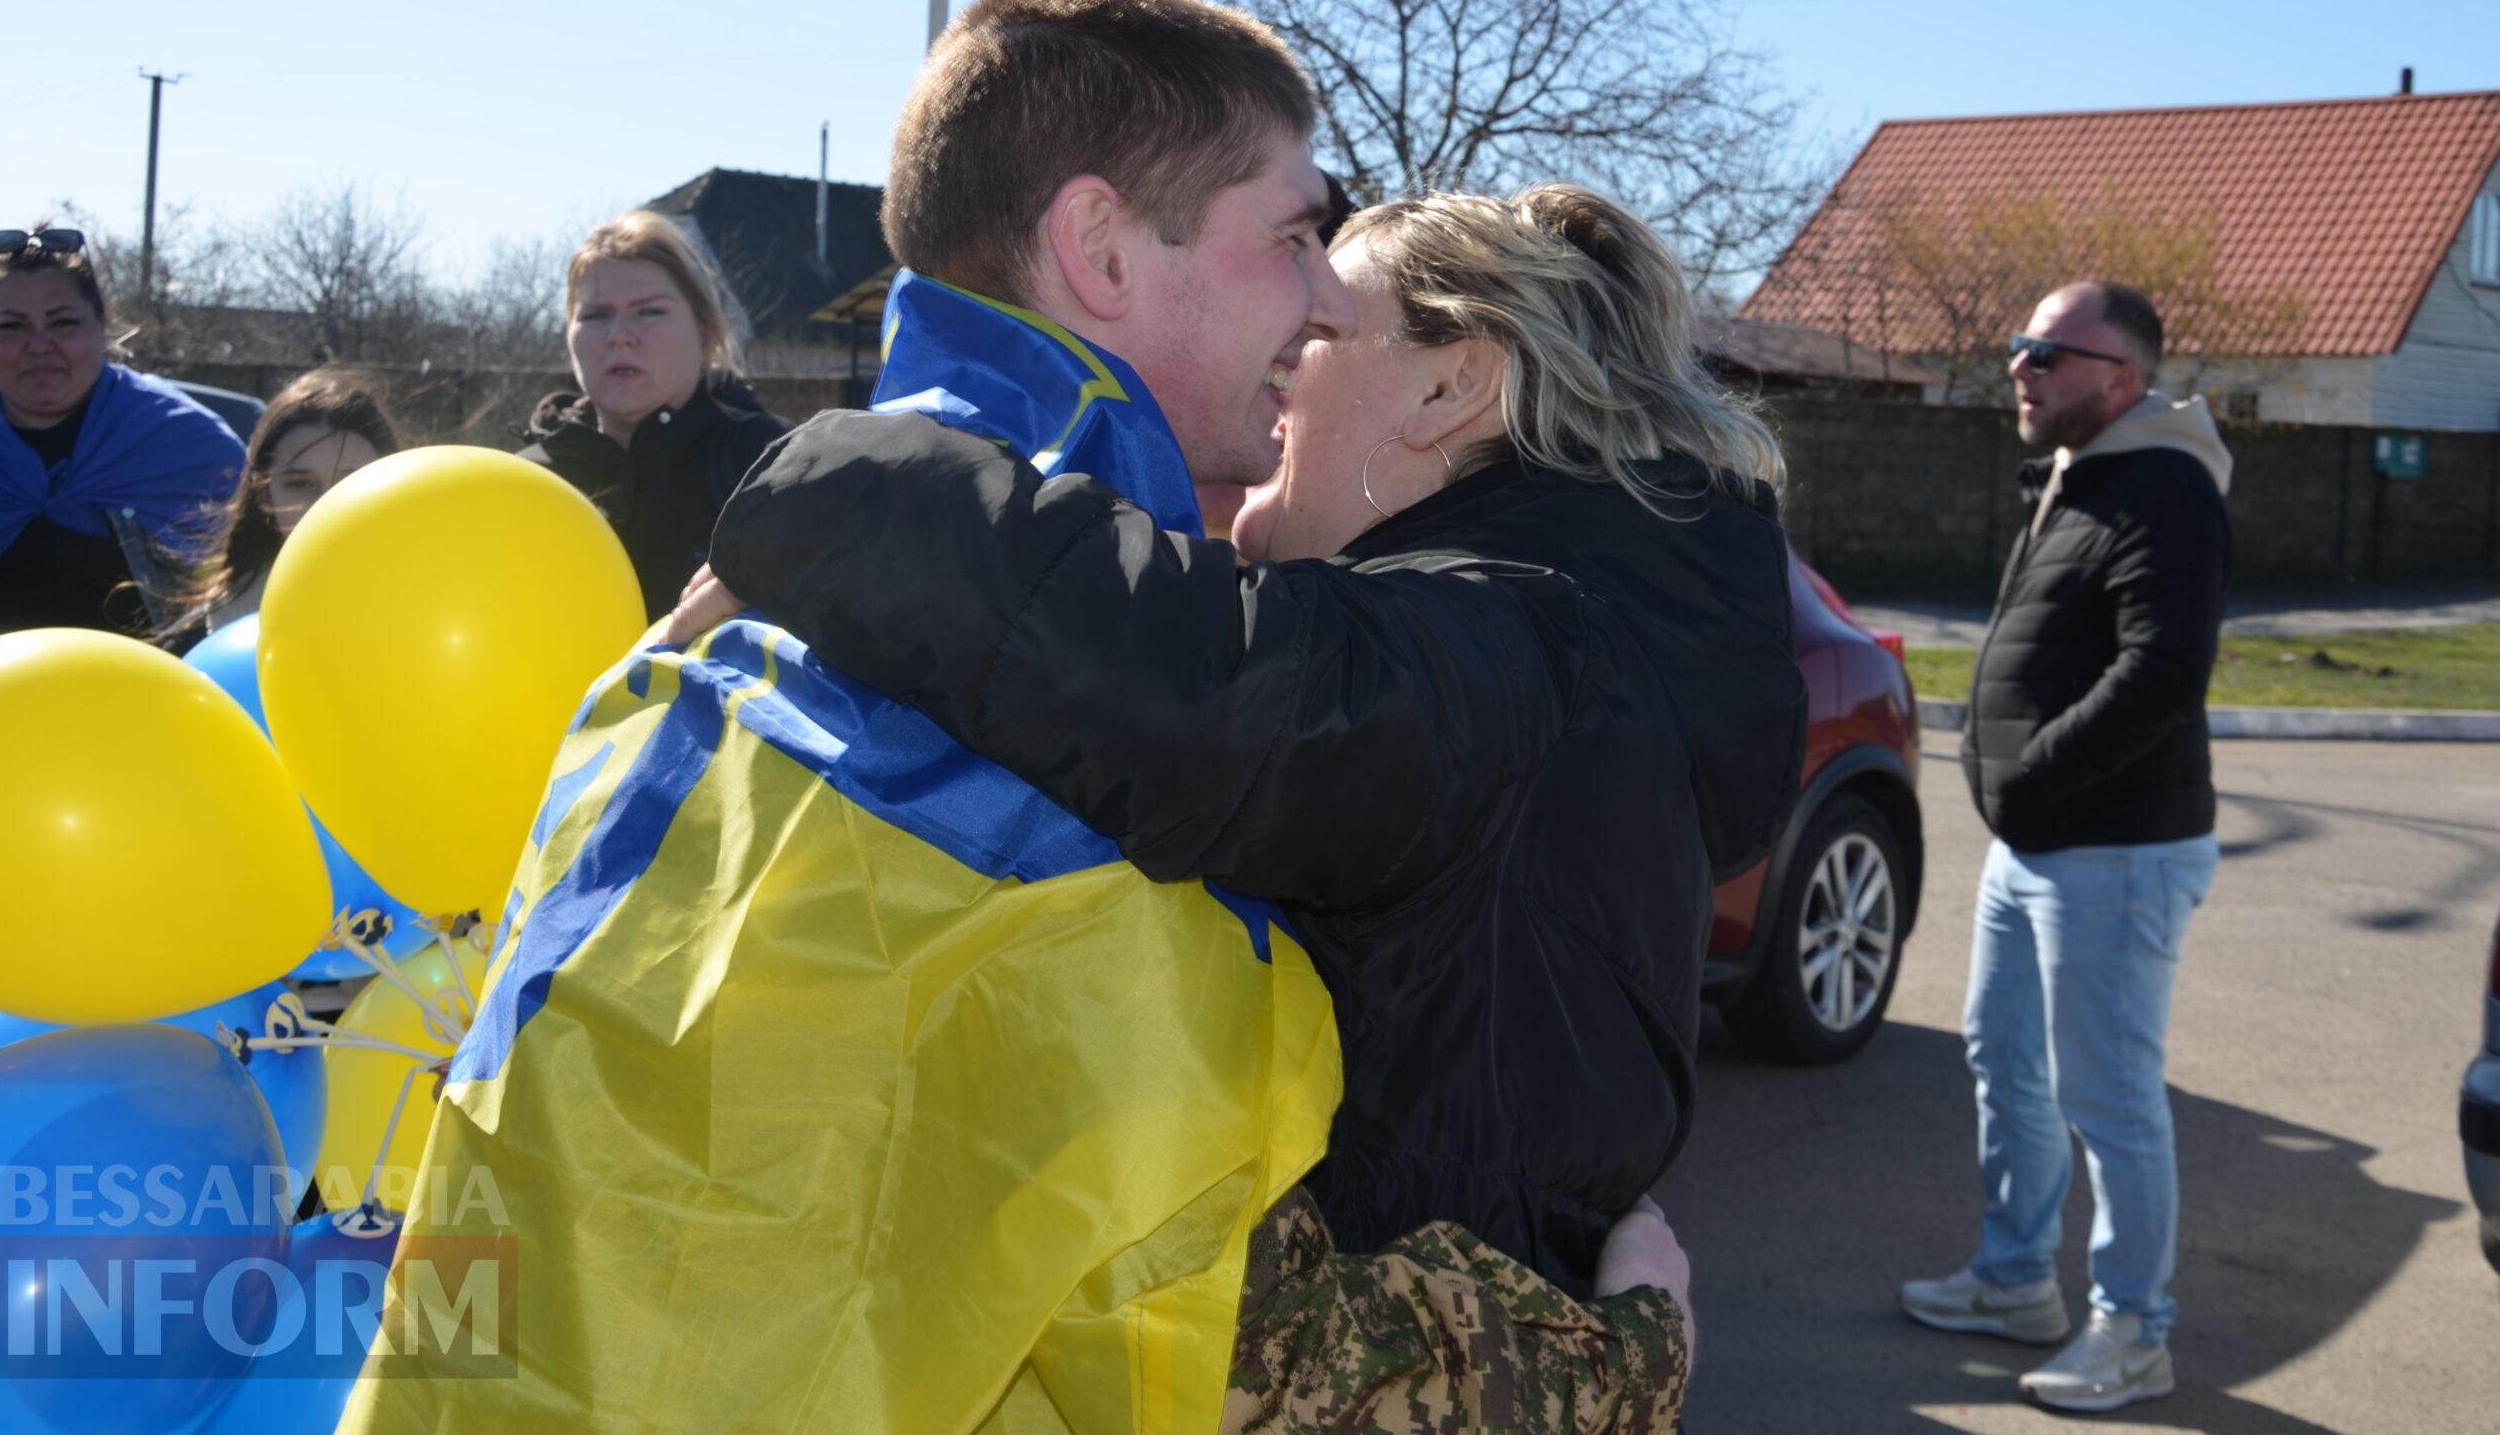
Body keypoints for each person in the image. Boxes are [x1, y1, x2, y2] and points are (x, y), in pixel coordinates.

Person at [686, 171, 1810, 1421]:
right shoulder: (1575, 644)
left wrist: (840, 485)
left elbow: (1178, 682)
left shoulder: (1508, 647)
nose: (1286, 354)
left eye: (1328, 332)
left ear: (1452, 386)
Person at [1899, 281, 2231, 1414]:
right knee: (2007, 1068)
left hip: (2116, 849)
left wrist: (2033, 775)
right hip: (2038, 849)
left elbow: (2163, 671)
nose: (2019, 368)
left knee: (2111, 1098)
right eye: (2016, 346)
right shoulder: (2080, 477)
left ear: (2120, 378)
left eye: (2046, 352)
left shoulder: (2165, 487)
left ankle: (2134, 1330)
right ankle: (2011, 1283)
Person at [0, 225, 243, 657]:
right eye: (12, 326)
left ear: (101, 327)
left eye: (63, 323)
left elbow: (245, 595)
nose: (39, 345)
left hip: (140, 711)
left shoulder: (184, 443)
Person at [518, 210, 786, 611]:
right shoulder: (526, 480)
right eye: (595, 315)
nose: (619, 336)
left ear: (704, 329)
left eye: (649, 311)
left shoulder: (772, 464)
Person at [171, 368, 398, 634]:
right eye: (300, 484)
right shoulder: (214, 633)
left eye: (351, 480)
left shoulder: (437, 587)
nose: (325, 505)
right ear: (264, 492)